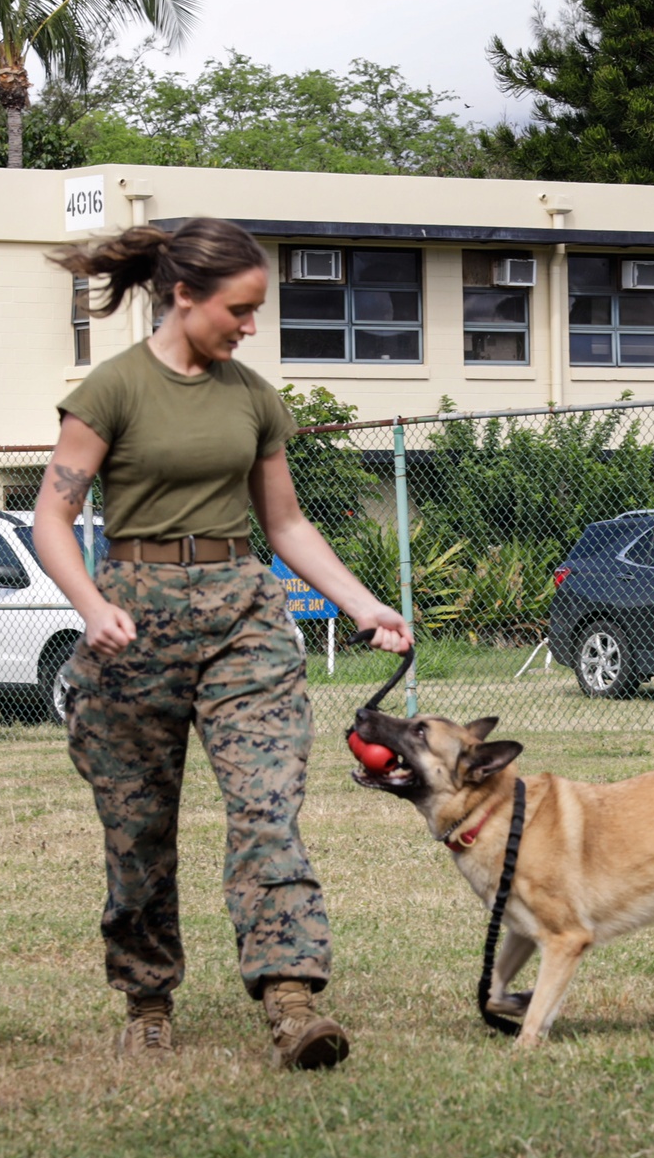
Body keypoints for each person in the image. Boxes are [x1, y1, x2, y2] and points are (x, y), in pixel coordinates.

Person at [33, 217, 412, 1071]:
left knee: (266, 809)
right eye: (239, 310)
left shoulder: (251, 394)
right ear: (184, 295)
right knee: (137, 829)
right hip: (134, 619)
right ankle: (149, 999)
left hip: (244, 614)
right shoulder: (113, 389)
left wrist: (362, 604)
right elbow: (52, 516)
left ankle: (290, 998)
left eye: (256, 311)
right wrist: (90, 605)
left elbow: (284, 522)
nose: (251, 327)